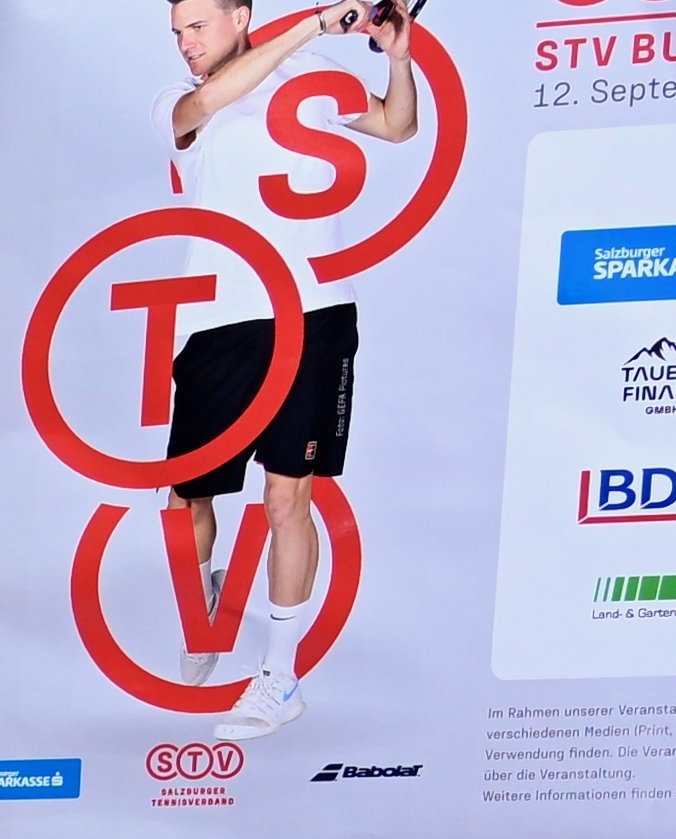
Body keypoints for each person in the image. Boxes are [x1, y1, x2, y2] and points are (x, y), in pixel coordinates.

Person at [160, 0, 421, 739]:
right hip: (217, 319)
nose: (186, 43)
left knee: (287, 495)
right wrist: (313, 22)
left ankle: (279, 676)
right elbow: (208, 102)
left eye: (198, 26)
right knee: (186, 499)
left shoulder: (310, 75)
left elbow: (397, 126)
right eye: (178, 33)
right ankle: (204, 609)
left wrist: (398, 56)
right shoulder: (180, 99)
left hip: (313, 313)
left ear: (241, 16)